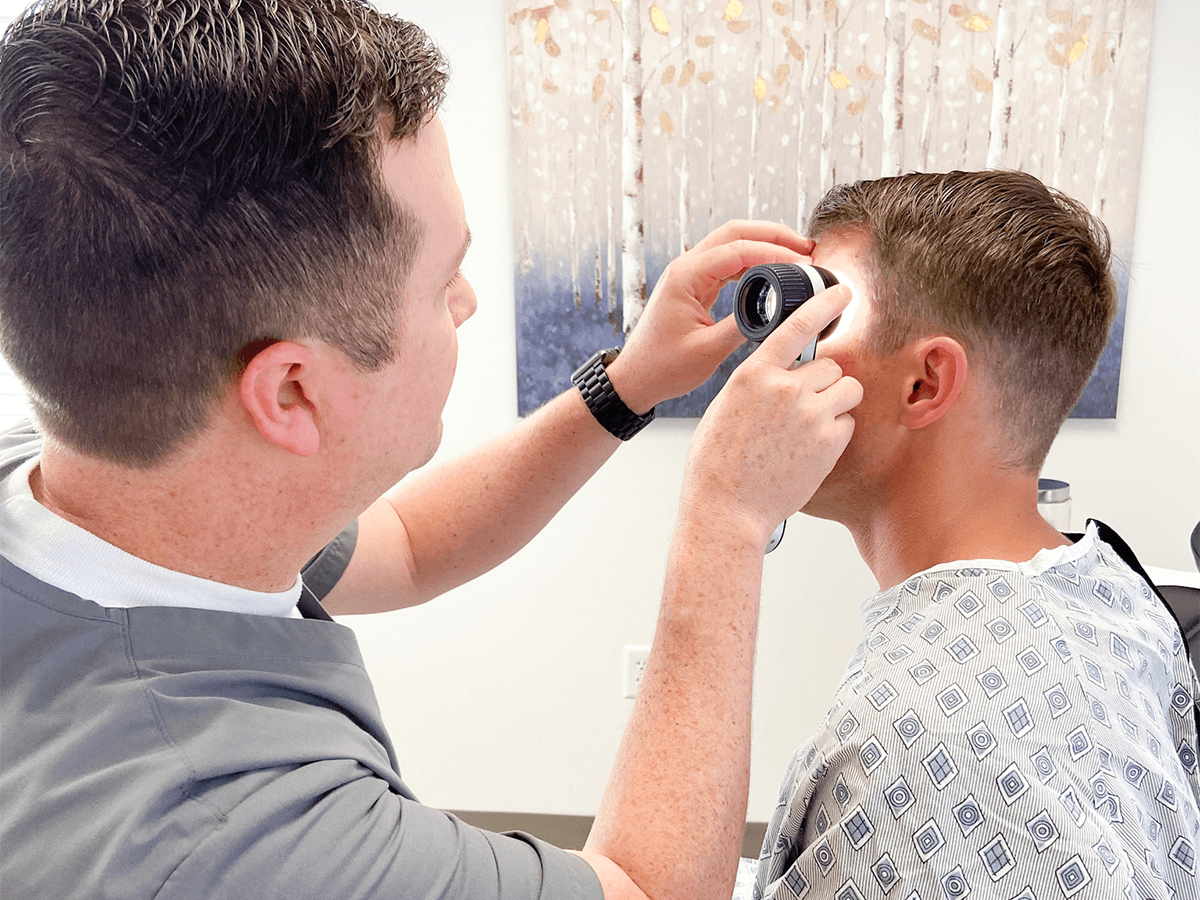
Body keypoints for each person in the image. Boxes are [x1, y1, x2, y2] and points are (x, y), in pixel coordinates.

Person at [0, 2, 864, 899]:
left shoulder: (86, 475)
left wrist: (627, 386)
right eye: (442, 275)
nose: (468, 302)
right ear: (292, 391)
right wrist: (728, 517)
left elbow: (408, 545)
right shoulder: (242, 836)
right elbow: (650, 890)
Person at [742, 171, 1200, 900]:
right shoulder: (1124, 600)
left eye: (820, 324)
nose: (771, 364)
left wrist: (724, 515)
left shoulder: (900, 749)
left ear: (925, 383)